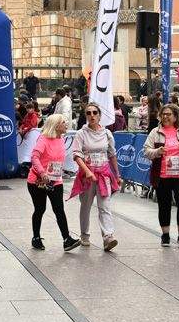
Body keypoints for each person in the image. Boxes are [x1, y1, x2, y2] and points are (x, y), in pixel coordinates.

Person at [142, 104, 179, 246]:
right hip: (162, 175)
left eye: (168, 114)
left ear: (176, 116)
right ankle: (165, 235)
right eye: (163, 114)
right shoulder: (155, 132)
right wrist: (157, 152)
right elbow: (146, 150)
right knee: (164, 205)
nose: (165, 117)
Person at [26, 113, 78, 251]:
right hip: (37, 180)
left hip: (55, 180)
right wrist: (42, 173)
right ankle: (36, 238)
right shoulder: (43, 139)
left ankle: (67, 240)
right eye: (63, 122)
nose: (66, 124)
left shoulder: (61, 139)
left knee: (59, 209)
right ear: (55, 125)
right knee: (40, 209)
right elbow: (34, 157)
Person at [72, 102, 119, 251]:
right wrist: (87, 171)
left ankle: (108, 236)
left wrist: (117, 175)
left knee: (105, 205)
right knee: (86, 206)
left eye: (95, 113)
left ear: (99, 115)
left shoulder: (107, 133)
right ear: (85, 116)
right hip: (87, 175)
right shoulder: (81, 133)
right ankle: (84, 235)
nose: (92, 115)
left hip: (104, 174)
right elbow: (77, 155)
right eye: (88, 113)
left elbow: (112, 154)